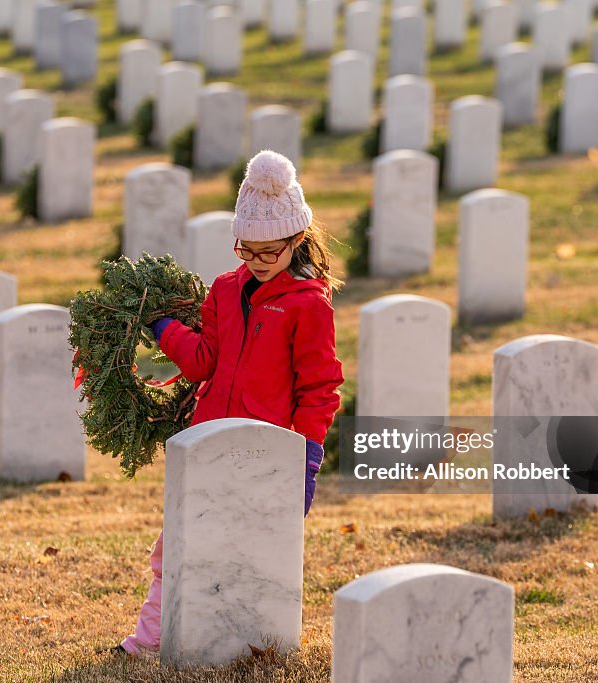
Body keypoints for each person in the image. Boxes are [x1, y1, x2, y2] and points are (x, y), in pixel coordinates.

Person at [110, 149, 344, 658]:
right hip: (209, 438)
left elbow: (319, 386)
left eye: (270, 252)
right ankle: (149, 640)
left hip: (266, 450)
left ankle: (248, 643)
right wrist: (165, 329)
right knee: (177, 546)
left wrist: (306, 455)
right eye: (247, 250)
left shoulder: (307, 305)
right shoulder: (223, 290)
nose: (257, 263)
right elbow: (203, 362)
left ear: (297, 240)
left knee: (252, 548)